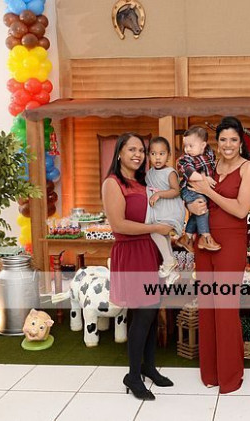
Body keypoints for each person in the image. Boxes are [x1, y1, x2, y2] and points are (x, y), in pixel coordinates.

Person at [186, 116, 250, 394]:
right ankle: (211, 372)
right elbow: (191, 194)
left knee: (226, 307)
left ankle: (230, 375)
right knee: (207, 305)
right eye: (223, 139)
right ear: (216, 142)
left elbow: (241, 209)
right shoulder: (208, 165)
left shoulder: (249, 168)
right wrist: (191, 207)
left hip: (231, 242)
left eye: (233, 139)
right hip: (203, 241)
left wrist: (208, 190)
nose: (228, 144)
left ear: (241, 142)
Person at [101, 132, 174, 401]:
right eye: (132, 149)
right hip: (132, 254)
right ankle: (133, 376)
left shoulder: (143, 182)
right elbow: (118, 225)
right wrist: (156, 228)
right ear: (119, 152)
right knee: (142, 315)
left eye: (141, 150)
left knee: (152, 312)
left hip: (150, 251)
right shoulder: (113, 183)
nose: (138, 155)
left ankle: (148, 367)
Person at [145, 136, 186, 285]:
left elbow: (176, 191)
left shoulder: (170, 172)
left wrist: (159, 194)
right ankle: (172, 271)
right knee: (164, 236)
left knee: (154, 232)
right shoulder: (149, 173)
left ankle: (169, 261)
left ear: (168, 156)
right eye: (153, 153)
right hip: (159, 211)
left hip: (171, 209)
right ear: (149, 155)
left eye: (161, 154)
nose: (157, 157)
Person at [176, 126, 221, 252]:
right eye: (185, 146)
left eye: (191, 146)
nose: (187, 149)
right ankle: (205, 237)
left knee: (198, 211)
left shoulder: (209, 153)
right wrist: (205, 179)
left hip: (201, 190)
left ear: (203, 145)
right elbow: (191, 175)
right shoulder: (185, 159)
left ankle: (187, 237)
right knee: (201, 206)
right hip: (190, 190)